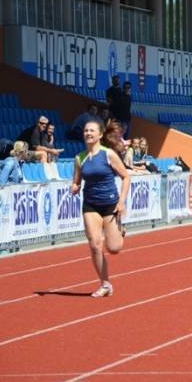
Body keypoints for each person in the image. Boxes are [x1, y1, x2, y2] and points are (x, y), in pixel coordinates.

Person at [71, 120, 130, 298]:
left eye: (92, 130)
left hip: (110, 203)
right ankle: (105, 284)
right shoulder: (79, 158)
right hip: (90, 204)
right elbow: (77, 181)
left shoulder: (108, 154)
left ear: (100, 135)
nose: (88, 133)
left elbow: (126, 177)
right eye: (86, 130)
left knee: (113, 248)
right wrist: (74, 187)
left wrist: (121, 202)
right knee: (95, 245)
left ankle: (120, 230)